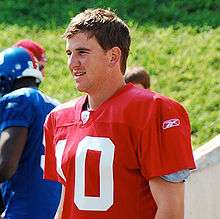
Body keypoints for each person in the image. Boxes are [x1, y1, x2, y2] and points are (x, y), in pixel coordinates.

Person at [43, 8, 195, 219]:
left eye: (82, 52)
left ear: (113, 56)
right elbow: (66, 204)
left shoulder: (156, 110)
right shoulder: (58, 119)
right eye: (70, 53)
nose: (72, 63)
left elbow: (171, 211)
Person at [0, 47, 61, 218]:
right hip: (54, 209)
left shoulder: (20, 98)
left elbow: (5, 166)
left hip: (23, 211)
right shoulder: (56, 105)